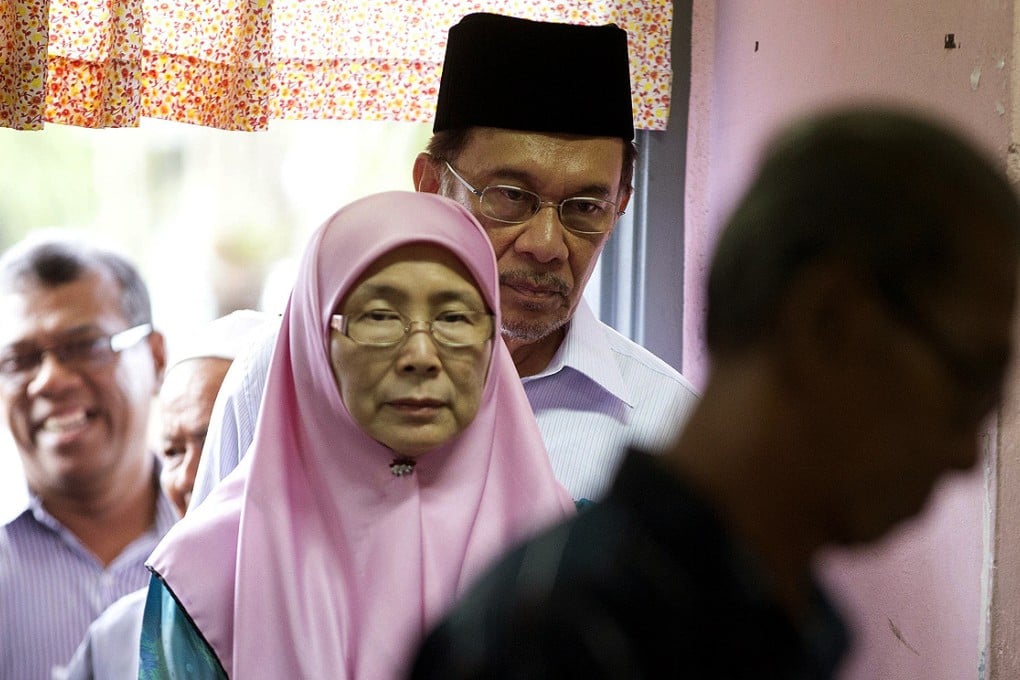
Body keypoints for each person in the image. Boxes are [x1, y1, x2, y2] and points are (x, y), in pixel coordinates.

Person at [407, 107, 1020, 679]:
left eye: (586, 205)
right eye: (969, 376)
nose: (968, 453)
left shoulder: (756, 615)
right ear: (826, 323)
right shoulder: (573, 635)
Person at [189, 12, 699, 509]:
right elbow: (202, 587)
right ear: (432, 187)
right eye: (510, 196)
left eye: (585, 208)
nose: (546, 244)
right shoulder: (280, 379)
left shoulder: (667, 428)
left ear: (621, 208)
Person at [139, 191, 574, 679]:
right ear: (314, 337)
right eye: (380, 318)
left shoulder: (559, 549)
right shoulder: (211, 566)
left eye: (454, 318)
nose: (421, 356)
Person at [53, 310, 273, 680]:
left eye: (216, 440)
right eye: (172, 451)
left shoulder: (353, 615)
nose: (189, 476)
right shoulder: (120, 636)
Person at [0, 236, 175, 680]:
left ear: (155, 358)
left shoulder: (229, 543)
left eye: (85, 346)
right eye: (20, 360)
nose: (50, 381)